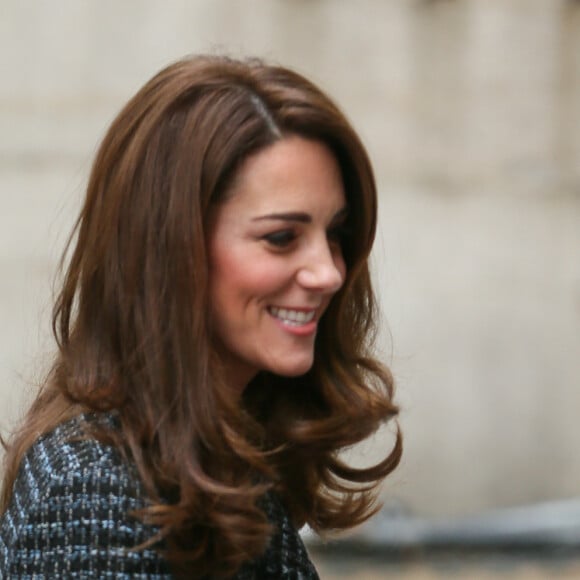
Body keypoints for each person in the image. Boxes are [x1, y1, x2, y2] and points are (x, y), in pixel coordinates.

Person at [0, 54, 402, 578]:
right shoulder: (96, 490)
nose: (328, 272)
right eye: (281, 238)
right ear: (169, 249)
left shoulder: (217, 453)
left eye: (336, 234)